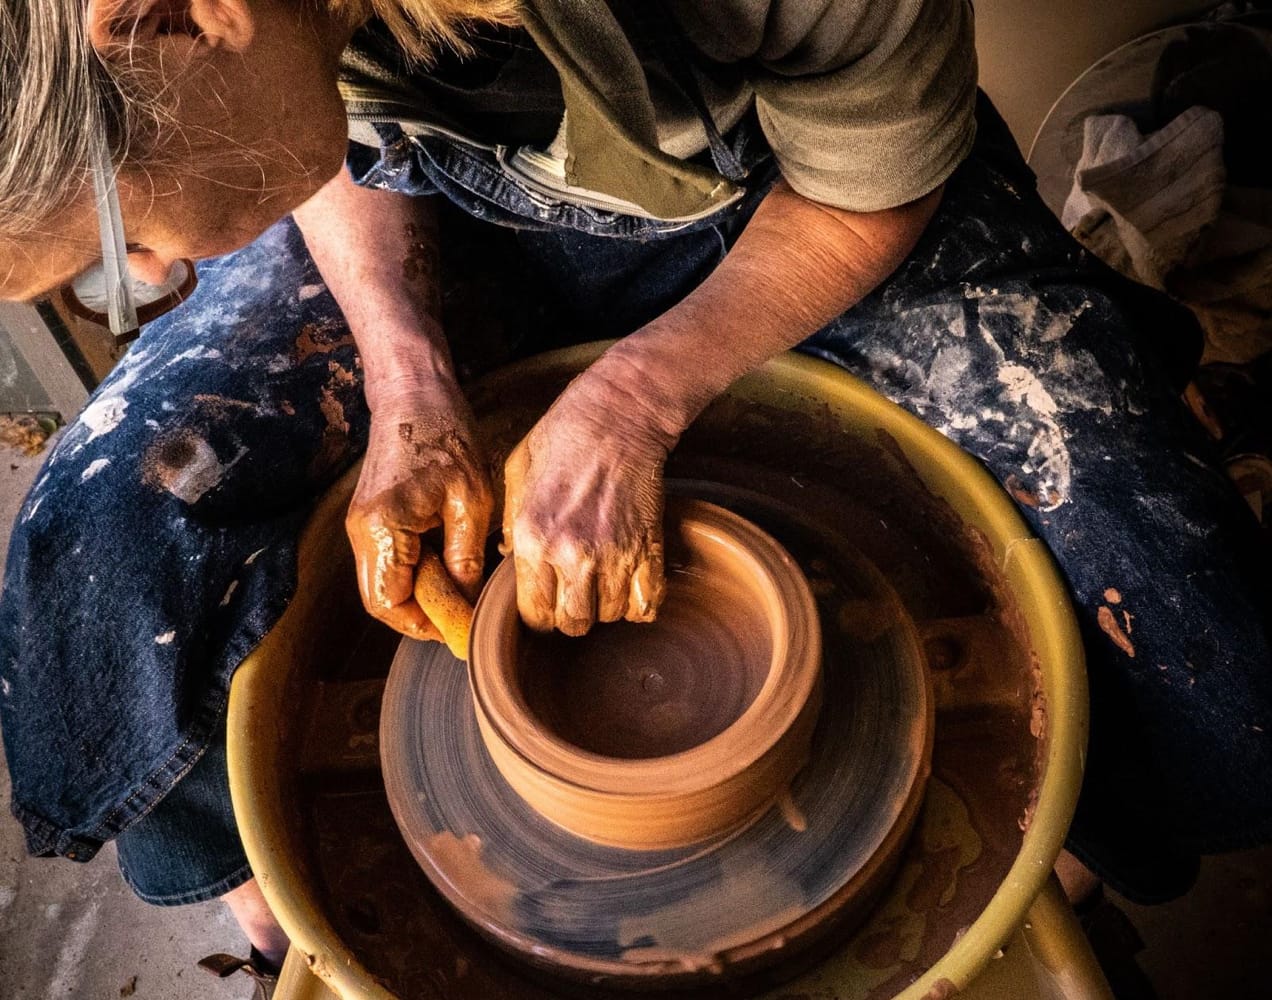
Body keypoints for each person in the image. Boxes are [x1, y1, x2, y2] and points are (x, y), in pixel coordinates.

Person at [1, 0, 1269, 994]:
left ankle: (1024, 904)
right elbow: (307, 126)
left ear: (176, 17)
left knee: (1193, 628)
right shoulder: (230, 50)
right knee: (109, 534)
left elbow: (867, 177)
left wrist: (636, 401)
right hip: (428, 207)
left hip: (802, 204)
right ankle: (291, 940)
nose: (157, 279)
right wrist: (404, 373)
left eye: (117, 247)